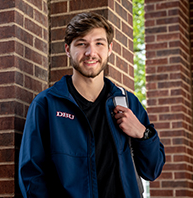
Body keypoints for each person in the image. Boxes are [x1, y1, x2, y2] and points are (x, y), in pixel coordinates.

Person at [18, 12, 165, 198]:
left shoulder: (128, 103)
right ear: (67, 49)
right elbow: (32, 176)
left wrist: (143, 134)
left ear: (110, 48)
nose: (91, 53)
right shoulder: (46, 105)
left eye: (99, 43)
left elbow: (152, 170)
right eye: (81, 44)